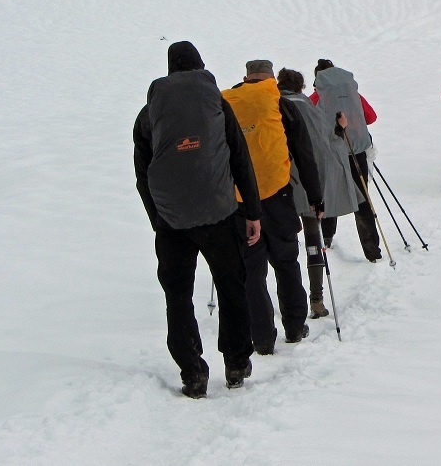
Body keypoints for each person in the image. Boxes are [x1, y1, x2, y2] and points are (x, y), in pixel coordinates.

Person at [133, 41, 262, 399]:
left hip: (172, 220)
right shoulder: (215, 103)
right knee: (230, 284)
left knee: (178, 295)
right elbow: (239, 156)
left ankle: (192, 371)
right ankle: (236, 362)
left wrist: (158, 219)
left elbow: (142, 174)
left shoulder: (150, 114)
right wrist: (252, 211)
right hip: (218, 213)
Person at [222, 60, 324, 354]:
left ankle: (262, 338)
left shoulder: (227, 103)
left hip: (240, 201)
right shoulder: (278, 102)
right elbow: (304, 153)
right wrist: (316, 196)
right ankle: (294, 327)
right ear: (270, 80)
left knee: (252, 272)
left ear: (245, 78)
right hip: (278, 197)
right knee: (286, 262)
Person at [277, 68, 364, 317]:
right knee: (313, 242)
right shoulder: (308, 108)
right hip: (306, 185)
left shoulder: (271, 106)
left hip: (275, 186)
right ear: (301, 87)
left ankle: (287, 307)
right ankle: (316, 301)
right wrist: (340, 129)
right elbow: (327, 142)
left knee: (280, 247)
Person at [310, 59, 382, 262]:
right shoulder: (352, 94)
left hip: (331, 154)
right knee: (362, 199)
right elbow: (371, 117)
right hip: (357, 150)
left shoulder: (316, 97)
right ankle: (372, 250)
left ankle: (327, 238)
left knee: (328, 193)